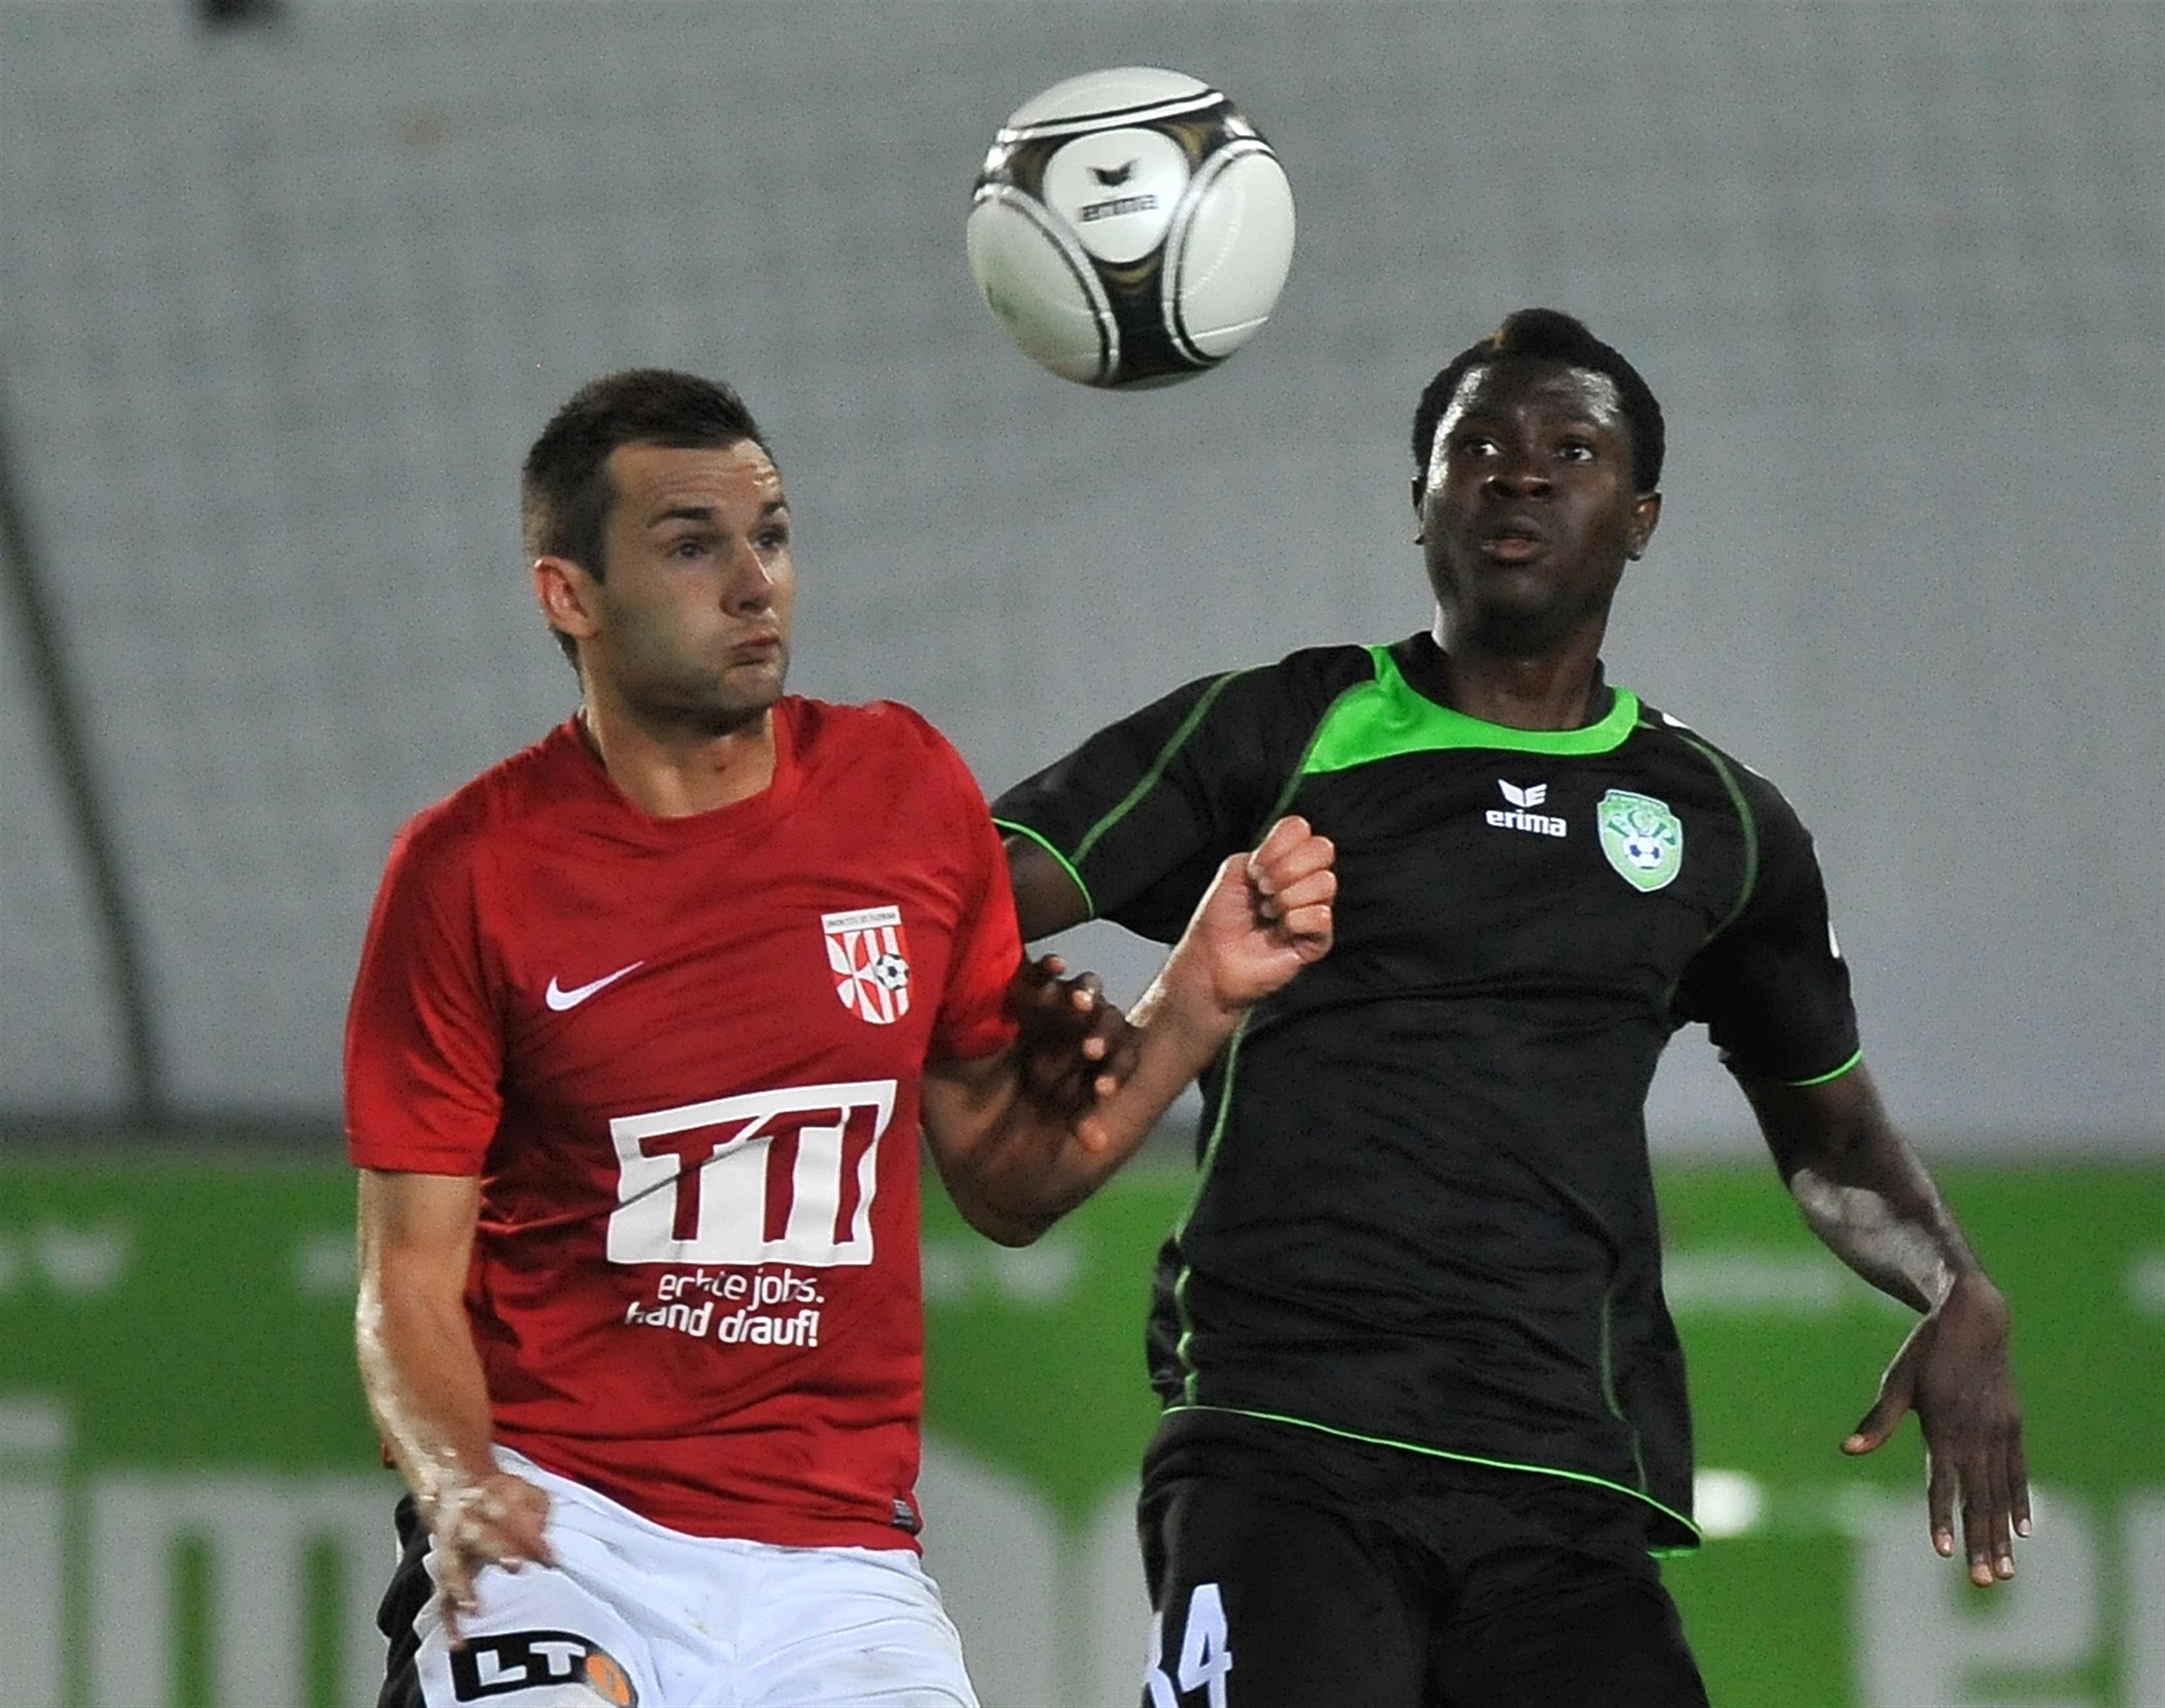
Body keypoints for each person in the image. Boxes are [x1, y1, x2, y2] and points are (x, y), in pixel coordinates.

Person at [992, 310, 2028, 1707]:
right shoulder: (1279, 726)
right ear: (1420, 500)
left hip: (1561, 1487)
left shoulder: (1719, 821)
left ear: (1640, 515)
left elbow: (1834, 1138)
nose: (1517, 474)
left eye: (1570, 449)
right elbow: (977, 891)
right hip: (1283, 1442)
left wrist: (1955, 1284)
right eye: (1472, 445)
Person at [342, 368, 1335, 1708]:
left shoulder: (903, 792)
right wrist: (461, 1483)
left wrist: (1197, 998)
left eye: (774, 534)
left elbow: (1005, 1176)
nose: (755, 582)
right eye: (693, 545)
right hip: (566, 1531)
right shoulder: (467, 872)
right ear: (567, 595)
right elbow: (408, 1278)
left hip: (836, 1563)